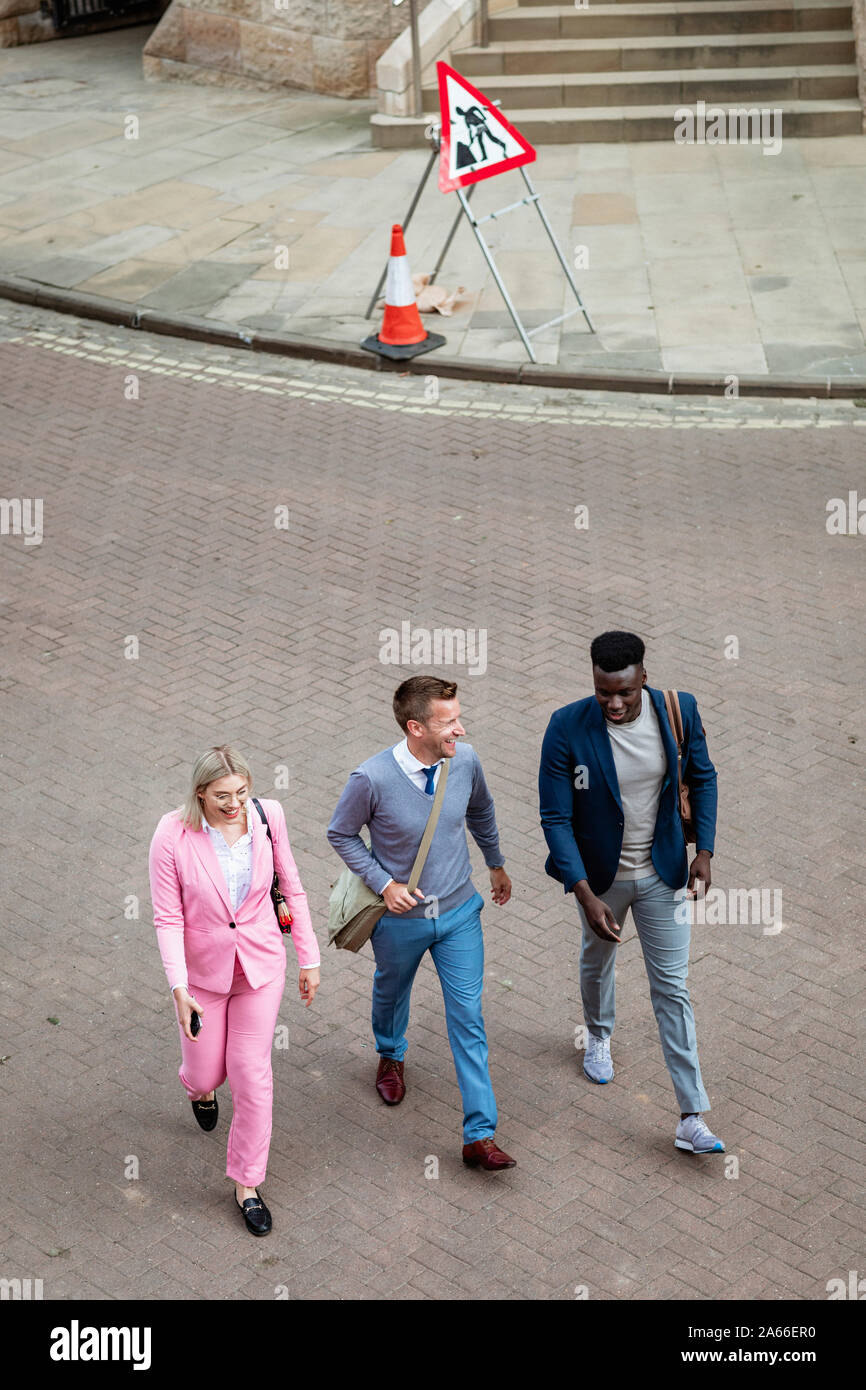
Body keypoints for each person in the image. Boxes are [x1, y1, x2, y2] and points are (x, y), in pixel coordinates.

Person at [539, 631, 724, 1155]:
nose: (614, 704)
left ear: (644, 676)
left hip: (663, 872)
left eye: (623, 692)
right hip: (600, 879)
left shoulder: (677, 710)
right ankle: (598, 1034)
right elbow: (554, 816)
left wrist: (703, 851)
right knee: (598, 961)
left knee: (673, 989)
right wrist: (582, 892)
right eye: (603, 692)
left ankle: (691, 1115)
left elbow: (703, 778)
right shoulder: (566, 725)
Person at [327, 676, 516, 1171]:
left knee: (468, 1018)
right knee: (392, 991)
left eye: (458, 717)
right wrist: (384, 883)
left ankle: (480, 1134)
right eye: (448, 722)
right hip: (401, 920)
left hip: (458, 914)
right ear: (416, 728)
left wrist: (495, 862)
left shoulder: (465, 760)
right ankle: (390, 1053)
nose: (461, 727)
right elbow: (341, 833)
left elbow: (482, 811)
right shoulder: (370, 779)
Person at [148, 746, 320, 1234]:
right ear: (199, 793)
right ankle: (198, 1092)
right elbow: (167, 916)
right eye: (222, 795)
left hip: (260, 968)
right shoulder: (171, 834)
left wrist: (309, 957)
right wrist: (178, 987)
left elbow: (293, 885)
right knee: (206, 1073)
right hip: (203, 977)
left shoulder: (269, 817)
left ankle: (247, 1183)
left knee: (252, 1074)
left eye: (242, 793)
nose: (234, 804)